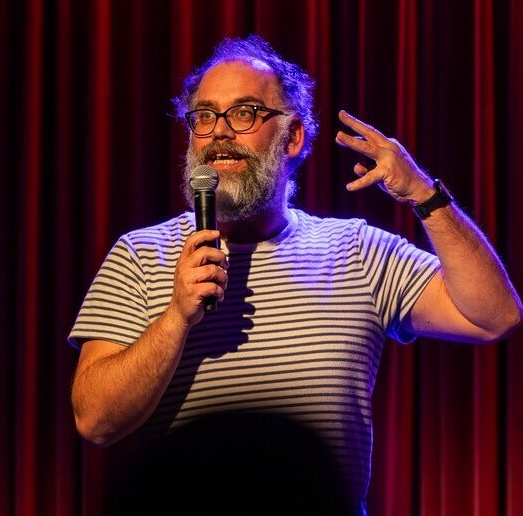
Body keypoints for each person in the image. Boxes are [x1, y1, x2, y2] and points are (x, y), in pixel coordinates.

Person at [69, 35, 522, 514]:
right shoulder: (142, 254)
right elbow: (95, 421)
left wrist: (424, 196)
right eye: (204, 116)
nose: (219, 132)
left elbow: (495, 316)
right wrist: (176, 319)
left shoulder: (357, 251)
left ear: (293, 137)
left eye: (243, 113)